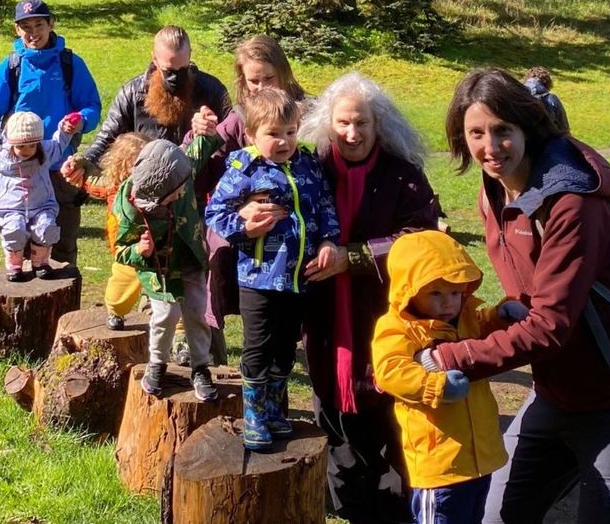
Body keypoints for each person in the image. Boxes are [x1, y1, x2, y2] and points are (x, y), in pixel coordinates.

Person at [421, 67, 610, 523]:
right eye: (475, 133)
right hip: (555, 394)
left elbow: (550, 325)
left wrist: (453, 356)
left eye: (502, 130)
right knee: (495, 515)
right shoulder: (494, 195)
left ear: (528, 126)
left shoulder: (573, 203)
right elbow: (528, 299)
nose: (490, 146)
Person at [296, 72, 439, 523]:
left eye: (362, 123)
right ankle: (350, 501)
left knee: (387, 410)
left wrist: (353, 257)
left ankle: (395, 502)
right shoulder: (309, 167)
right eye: (343, 123)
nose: (352, 134)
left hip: (382, 313)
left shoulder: (403, 175)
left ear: (380, 126)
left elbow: (420, 237)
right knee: (331, 411)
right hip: (322, 315)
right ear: (328, 123)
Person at [205, 88, 340, 451]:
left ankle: (274, 410)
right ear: (251, 135)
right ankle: (254, 414)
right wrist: (245, 227)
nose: (284, 141)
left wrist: (329, 240)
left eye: (291, 132)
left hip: (301, 276)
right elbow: (215, 213)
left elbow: (324, 204)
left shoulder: (308, 163)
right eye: (273, 134)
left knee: (284, 346)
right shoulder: (244, 168)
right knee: (258, 347)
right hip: (260, 277)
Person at [372, 230, 529, 524]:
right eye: (436, 293)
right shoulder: (398, 328)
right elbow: (390, 371)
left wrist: (499, 315)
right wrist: (437, 386)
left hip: (480, 459)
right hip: (439, 464)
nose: (448, 303)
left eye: (455, 293)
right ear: (409, 289)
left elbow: (481, 325)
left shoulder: (466, 317)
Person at [188, 35, 309, 364]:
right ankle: (211, 363)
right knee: (216, 252)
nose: (260, 87)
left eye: (268, 78)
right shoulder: (241, 117)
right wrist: (200, 134)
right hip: (245, 226)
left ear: (284, 73)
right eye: (253, 81)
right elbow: (207, 170)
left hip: (297, 227)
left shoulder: (307, 114)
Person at [0, 0, 103, 267]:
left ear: (51, 23)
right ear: (16, 30)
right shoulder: (11, 66)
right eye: (25, 26)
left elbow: (91, 106)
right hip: (19, 170)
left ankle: (63, 296)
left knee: (62, 242)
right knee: (18, 238)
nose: (33, 33)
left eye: (39, 24)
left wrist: (81, 121)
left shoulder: (70, 63)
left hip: (61, 169)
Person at [63, 25, 230, 200]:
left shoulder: (211, 90)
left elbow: (231, 137)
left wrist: (211, 130)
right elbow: (108, 136)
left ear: (189, 56)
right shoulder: (133, 92)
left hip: (196, 193)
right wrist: (84, 163)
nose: (176, 79)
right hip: (146, 194)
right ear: (155, 59)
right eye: (169, 72)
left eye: (182, 70)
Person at [112, 138, 219, 402]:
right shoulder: (130, 209)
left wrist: (206, 130)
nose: (182, 194)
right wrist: (139, 249)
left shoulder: (177, 171)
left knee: (197, 309)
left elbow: (196, 151)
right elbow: (120, 250)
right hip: (158, 268)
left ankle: (200, 367)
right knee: (166, 314)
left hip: (190, 258)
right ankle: (157, 364)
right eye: (176, 193)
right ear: (160, 193)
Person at [0, 111, 80, 281]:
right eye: (21, 147)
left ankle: (40, 262)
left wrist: (67, 129)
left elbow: (59, 143)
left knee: (46, 228)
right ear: (10, 144)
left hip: (42, 204)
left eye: (32, 146)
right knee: (14, 230)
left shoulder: (45, 153)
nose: (27, 151)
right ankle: (14, 265)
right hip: (11, 207)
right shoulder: (3, 158)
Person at [80, 132, 154, 329]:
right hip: (125, 248)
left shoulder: (155, 187)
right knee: (122, 282)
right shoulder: (114, 186)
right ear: (122, 164)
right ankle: (116, 311)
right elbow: (91, 183)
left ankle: (168, 323)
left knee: (159, 283)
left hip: (152, 244)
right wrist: (79, 168)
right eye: (135, 164)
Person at [523, 66, 570, 133]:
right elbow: (563, 124)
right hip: (550, 138)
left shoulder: (521, 96)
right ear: (547, 82)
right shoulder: (552, 98)